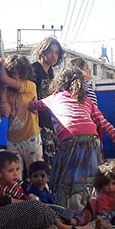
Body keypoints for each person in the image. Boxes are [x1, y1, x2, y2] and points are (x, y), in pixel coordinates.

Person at [29, 65, 115, 212]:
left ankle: (63, 213)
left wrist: (26, 102)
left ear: (59, 82)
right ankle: (90, 211)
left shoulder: (54, 98)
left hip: (70, 140)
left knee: (64, 178)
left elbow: (34, 105)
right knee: (90, 178)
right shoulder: (86, 101)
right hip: (92, 140)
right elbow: (102, 122)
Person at [0, 55, 41, 179]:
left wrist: (3, 65)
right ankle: (19, 197)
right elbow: (6, 113)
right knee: (15, 175)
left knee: (37, 172)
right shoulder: (9, 92)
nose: (17, 78)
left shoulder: (30, 86)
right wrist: (3, 96)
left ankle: (41, 197)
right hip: (13, 139)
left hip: (30, 136)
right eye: (14, 74)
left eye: (19, 74)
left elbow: (4, 79)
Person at [31, 37, 65, 172]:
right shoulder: (34, 69)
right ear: (42, 51)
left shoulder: (51, 74)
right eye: (50, 51)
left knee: (52, 159)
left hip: (50, 122)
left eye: (56, 53)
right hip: (35, 121)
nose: (53, 56)